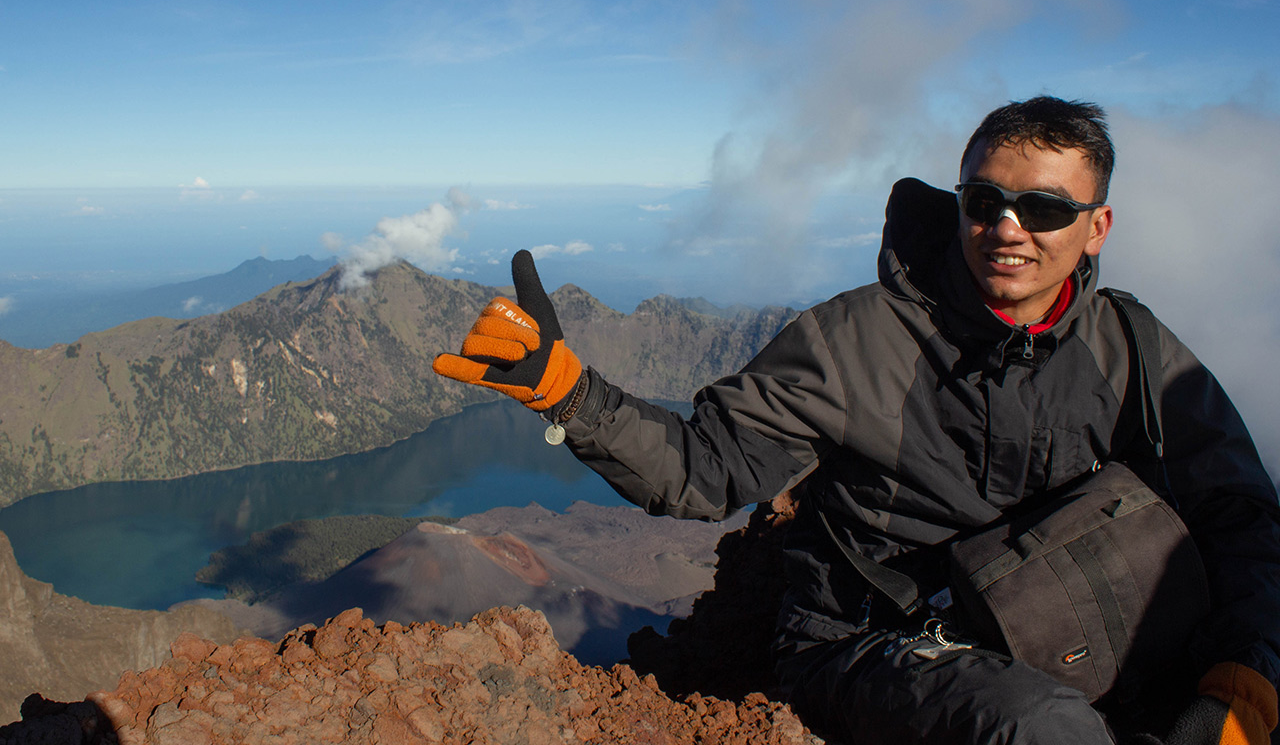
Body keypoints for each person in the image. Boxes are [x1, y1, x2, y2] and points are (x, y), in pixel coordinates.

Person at [431, 97, 1280, 745]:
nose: (1008, 227)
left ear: (1097, 228)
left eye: (1046, 209)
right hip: (879, 640)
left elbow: (1238, 511)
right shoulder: (856, 341)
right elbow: (704, 472)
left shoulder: (1127, 343)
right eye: (985, 200)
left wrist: (1246, 669)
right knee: (1041, 731)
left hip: (1065, 618)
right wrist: (568, 391)